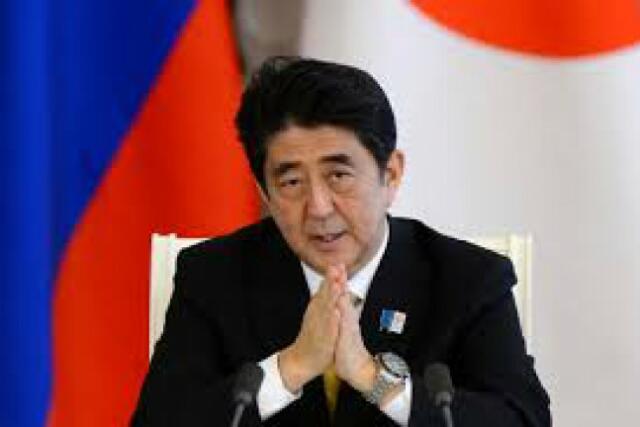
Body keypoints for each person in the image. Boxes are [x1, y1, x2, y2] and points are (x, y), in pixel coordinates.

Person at [132, 56, 551, 426]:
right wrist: (291, 367)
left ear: (391, 176)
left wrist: (373, 379)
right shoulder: (212, 276)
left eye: (338, 175)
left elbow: (522, 419)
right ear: (265, 194)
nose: (318, 207)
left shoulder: (468, 279)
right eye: (292, 182)